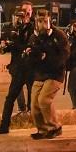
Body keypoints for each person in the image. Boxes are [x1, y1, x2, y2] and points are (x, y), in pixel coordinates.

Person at [26, 8, 70, 139]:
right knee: (34, 105)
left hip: (55, 74)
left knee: (44, 100)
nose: (41, 24)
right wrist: (31, 55)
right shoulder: (34, 37)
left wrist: (46, 57)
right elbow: (31, 57)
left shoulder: (59, 35)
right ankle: (42, 130)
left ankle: (55, 127)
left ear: (50, 20)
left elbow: (64, 56)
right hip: (40, 74)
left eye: (44, 20)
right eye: (39, 21)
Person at [0, 3, 34, 135]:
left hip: (31, 68)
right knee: (10, 97)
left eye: (28, 11)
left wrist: (15, 42)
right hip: (18, 68)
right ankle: (4, 126)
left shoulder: (33, 28)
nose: (26, 13)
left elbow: (29, 45)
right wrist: (5, 46)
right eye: (23, 10)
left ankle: (37, 123)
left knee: (33, 97)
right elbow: (10, 44)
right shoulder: (15, 28)